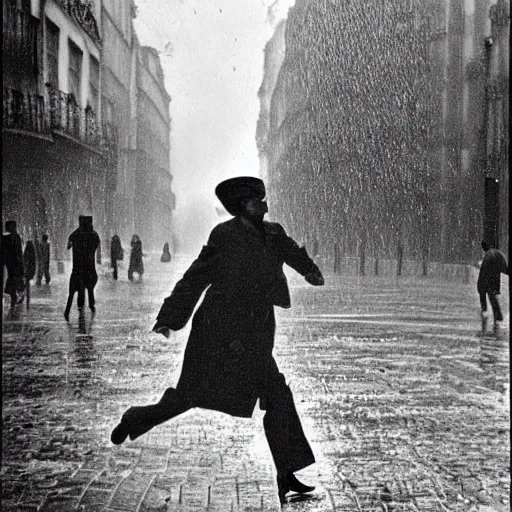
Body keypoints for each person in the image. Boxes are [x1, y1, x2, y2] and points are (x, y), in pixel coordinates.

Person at [111, 177, 324, 504]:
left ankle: (287, 472)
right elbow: (196, 276)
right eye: (258, 201)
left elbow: (293, 253)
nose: (264, 206)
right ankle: (136, 418)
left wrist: (310, 270)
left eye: (264, 200)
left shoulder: (273, 233)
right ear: (243, 206)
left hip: (255, 333)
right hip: (219, 331)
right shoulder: (224, 237)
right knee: (190, 395)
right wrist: (170, 316)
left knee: (277, 394)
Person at [64, 216, 100, 321]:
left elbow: (68, 245)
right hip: (88, 269)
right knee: (89, 289)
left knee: (72, 293)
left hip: (77, 269)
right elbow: (96, 245)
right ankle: (90, 305)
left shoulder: (76, 235)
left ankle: (67, 311)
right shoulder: (93, 235)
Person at [477, 240, 508, 335]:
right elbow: (503, 267)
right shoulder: (495, 253)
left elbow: (483, 272)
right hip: (495, 274)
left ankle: (488, 314)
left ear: (483, 249)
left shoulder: (488, 256)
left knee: (487, 295)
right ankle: (497, 317)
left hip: (490, 275)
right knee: (492, 295)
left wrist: (481, 286)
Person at [2, 220, 25, 308]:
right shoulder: (14, 237)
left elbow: (17, 251)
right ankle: (15, 295)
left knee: (13, 279)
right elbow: (18, 252)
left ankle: (14, 296)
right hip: (14, 263)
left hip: (12, 263)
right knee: (14, 279)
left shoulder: (9, 238)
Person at [23, 240, 36, 309]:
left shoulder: (26, 251)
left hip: (27, 271)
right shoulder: (33, 253)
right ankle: (27, 297)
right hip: (30, 271)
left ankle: (24, 296)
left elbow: (24, 261)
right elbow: (34, 263)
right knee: (27, 284)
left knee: (26, 284)